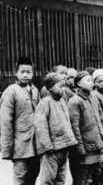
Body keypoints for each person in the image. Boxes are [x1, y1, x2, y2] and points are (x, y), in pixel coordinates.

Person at [0, 57, 41, 185]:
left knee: (34, 173)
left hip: (35, 143)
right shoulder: (11, 91)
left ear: (33, 73)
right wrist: (7, 149)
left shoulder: (35, 91)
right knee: (20, 176)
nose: (25, 75)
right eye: (22, 71)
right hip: (20, 144)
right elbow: (5, 122)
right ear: (15, 72)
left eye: (28, 71)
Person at [34, 73, 77, 185]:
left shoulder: (62, 101)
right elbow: (40, 126)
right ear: (50, 87)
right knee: (48, 179)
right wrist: (48, 146)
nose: (63, 89)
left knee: (61, 178)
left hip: (64, 147)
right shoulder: (44, 103)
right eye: (60, 86)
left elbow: (67, 123)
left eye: (64, 86)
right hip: (52, 150)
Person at [68, 71, 103, 185]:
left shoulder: (93, 98)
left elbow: (101, 120)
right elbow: (74, 127)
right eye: (88, 80)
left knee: (94, 173)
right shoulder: (75, 102)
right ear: (79, 83)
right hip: (85, 146)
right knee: (82, 176)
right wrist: (80, 148)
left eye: (92, 80)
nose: (91, 83)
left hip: (97, 144)